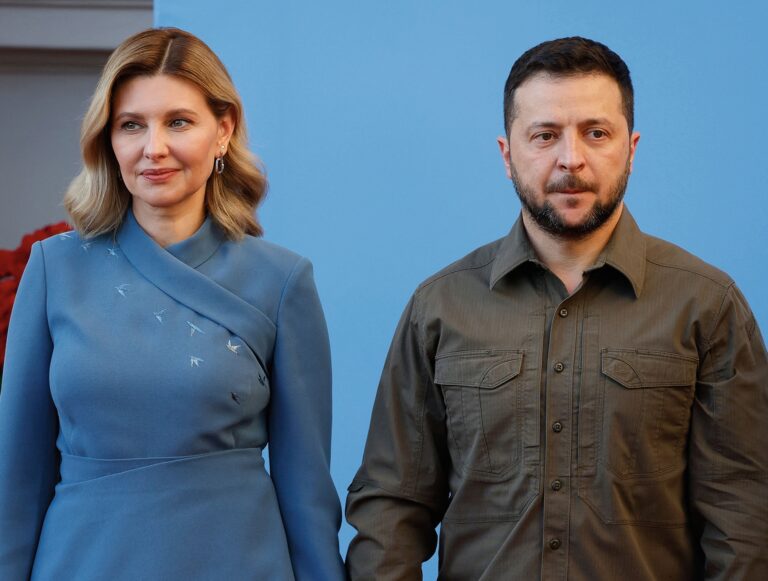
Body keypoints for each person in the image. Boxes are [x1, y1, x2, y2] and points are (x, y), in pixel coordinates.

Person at [345, 36, 768, 580]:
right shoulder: (440, 307)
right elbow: (391, 506)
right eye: (545, 135)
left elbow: (744, 513)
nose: (571, 159)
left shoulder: (707, 305)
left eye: (596, 133)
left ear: (632, 149)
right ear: (507, 155)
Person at [0, 27, 345, 580]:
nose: (153, 147)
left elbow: (306, 490)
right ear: (108, 139)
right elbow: (17, 477)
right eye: (131, 124)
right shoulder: (53, 269)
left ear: (223, 130)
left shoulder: (282, 281)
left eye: (178, 122)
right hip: (81, 564)